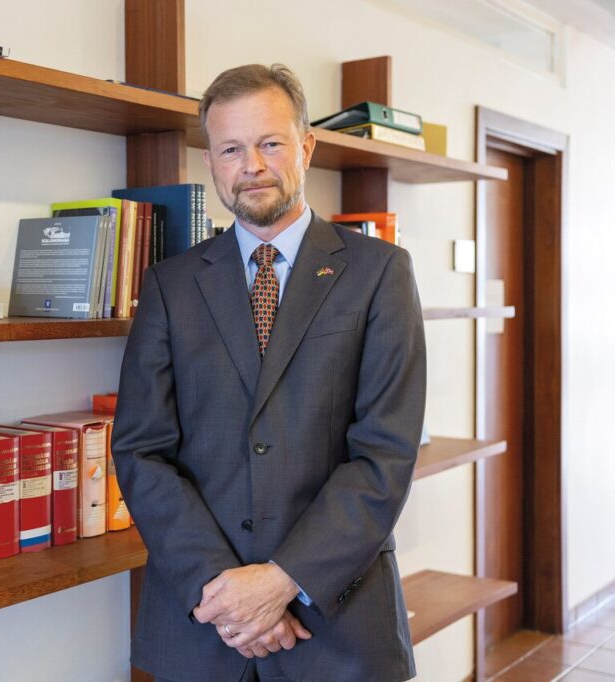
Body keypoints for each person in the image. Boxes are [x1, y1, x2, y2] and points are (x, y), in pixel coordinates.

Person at [111, 63, 427, 682]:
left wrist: (282, 581)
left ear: (306, 147)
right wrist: (226, 593)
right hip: (203, 622)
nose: (251, 165)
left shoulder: (380, 273)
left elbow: (385, 454)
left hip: (337, 622)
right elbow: (141, 451)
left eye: (270, 143)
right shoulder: (171, 285)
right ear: (211, 162)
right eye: (231, 148)